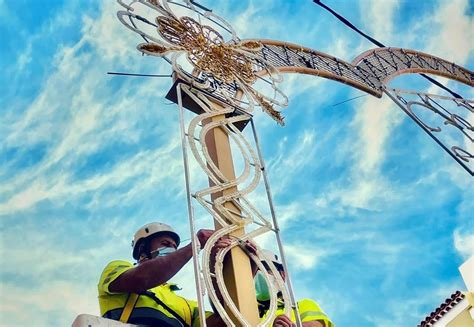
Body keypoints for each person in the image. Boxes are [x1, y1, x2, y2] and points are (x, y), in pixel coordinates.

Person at [98, 222, 227, 327]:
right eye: (165, 244)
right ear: (143, 249)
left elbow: (224, 321)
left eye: (175, 247)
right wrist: (194, 245)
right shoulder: (116, 268)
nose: (172, 249)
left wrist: (215, 264)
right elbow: (142, 278)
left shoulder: (187, 306)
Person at [254, 250, 334, 327]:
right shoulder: (245, 311)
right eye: (255, 270)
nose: (259, 273)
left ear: (282, 274)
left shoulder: (301, 306)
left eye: (266, 268)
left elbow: (317, 325)